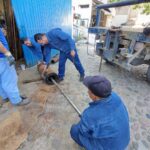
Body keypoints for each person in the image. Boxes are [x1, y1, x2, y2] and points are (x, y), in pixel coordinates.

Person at [70, 75, 130, 150]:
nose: (87, 91)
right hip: (124, 141)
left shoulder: (90, 114)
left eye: (89, 90)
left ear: (94, 96)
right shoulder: (115, 96)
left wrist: (85, 121)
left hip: (108, 147)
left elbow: (83, 132)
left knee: (75, 130)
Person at [0, 28, 30, 106]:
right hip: (2, 58)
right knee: (10, 79)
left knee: (1, 79)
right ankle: (16, 100)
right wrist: (7, 54)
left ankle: (6, 97)